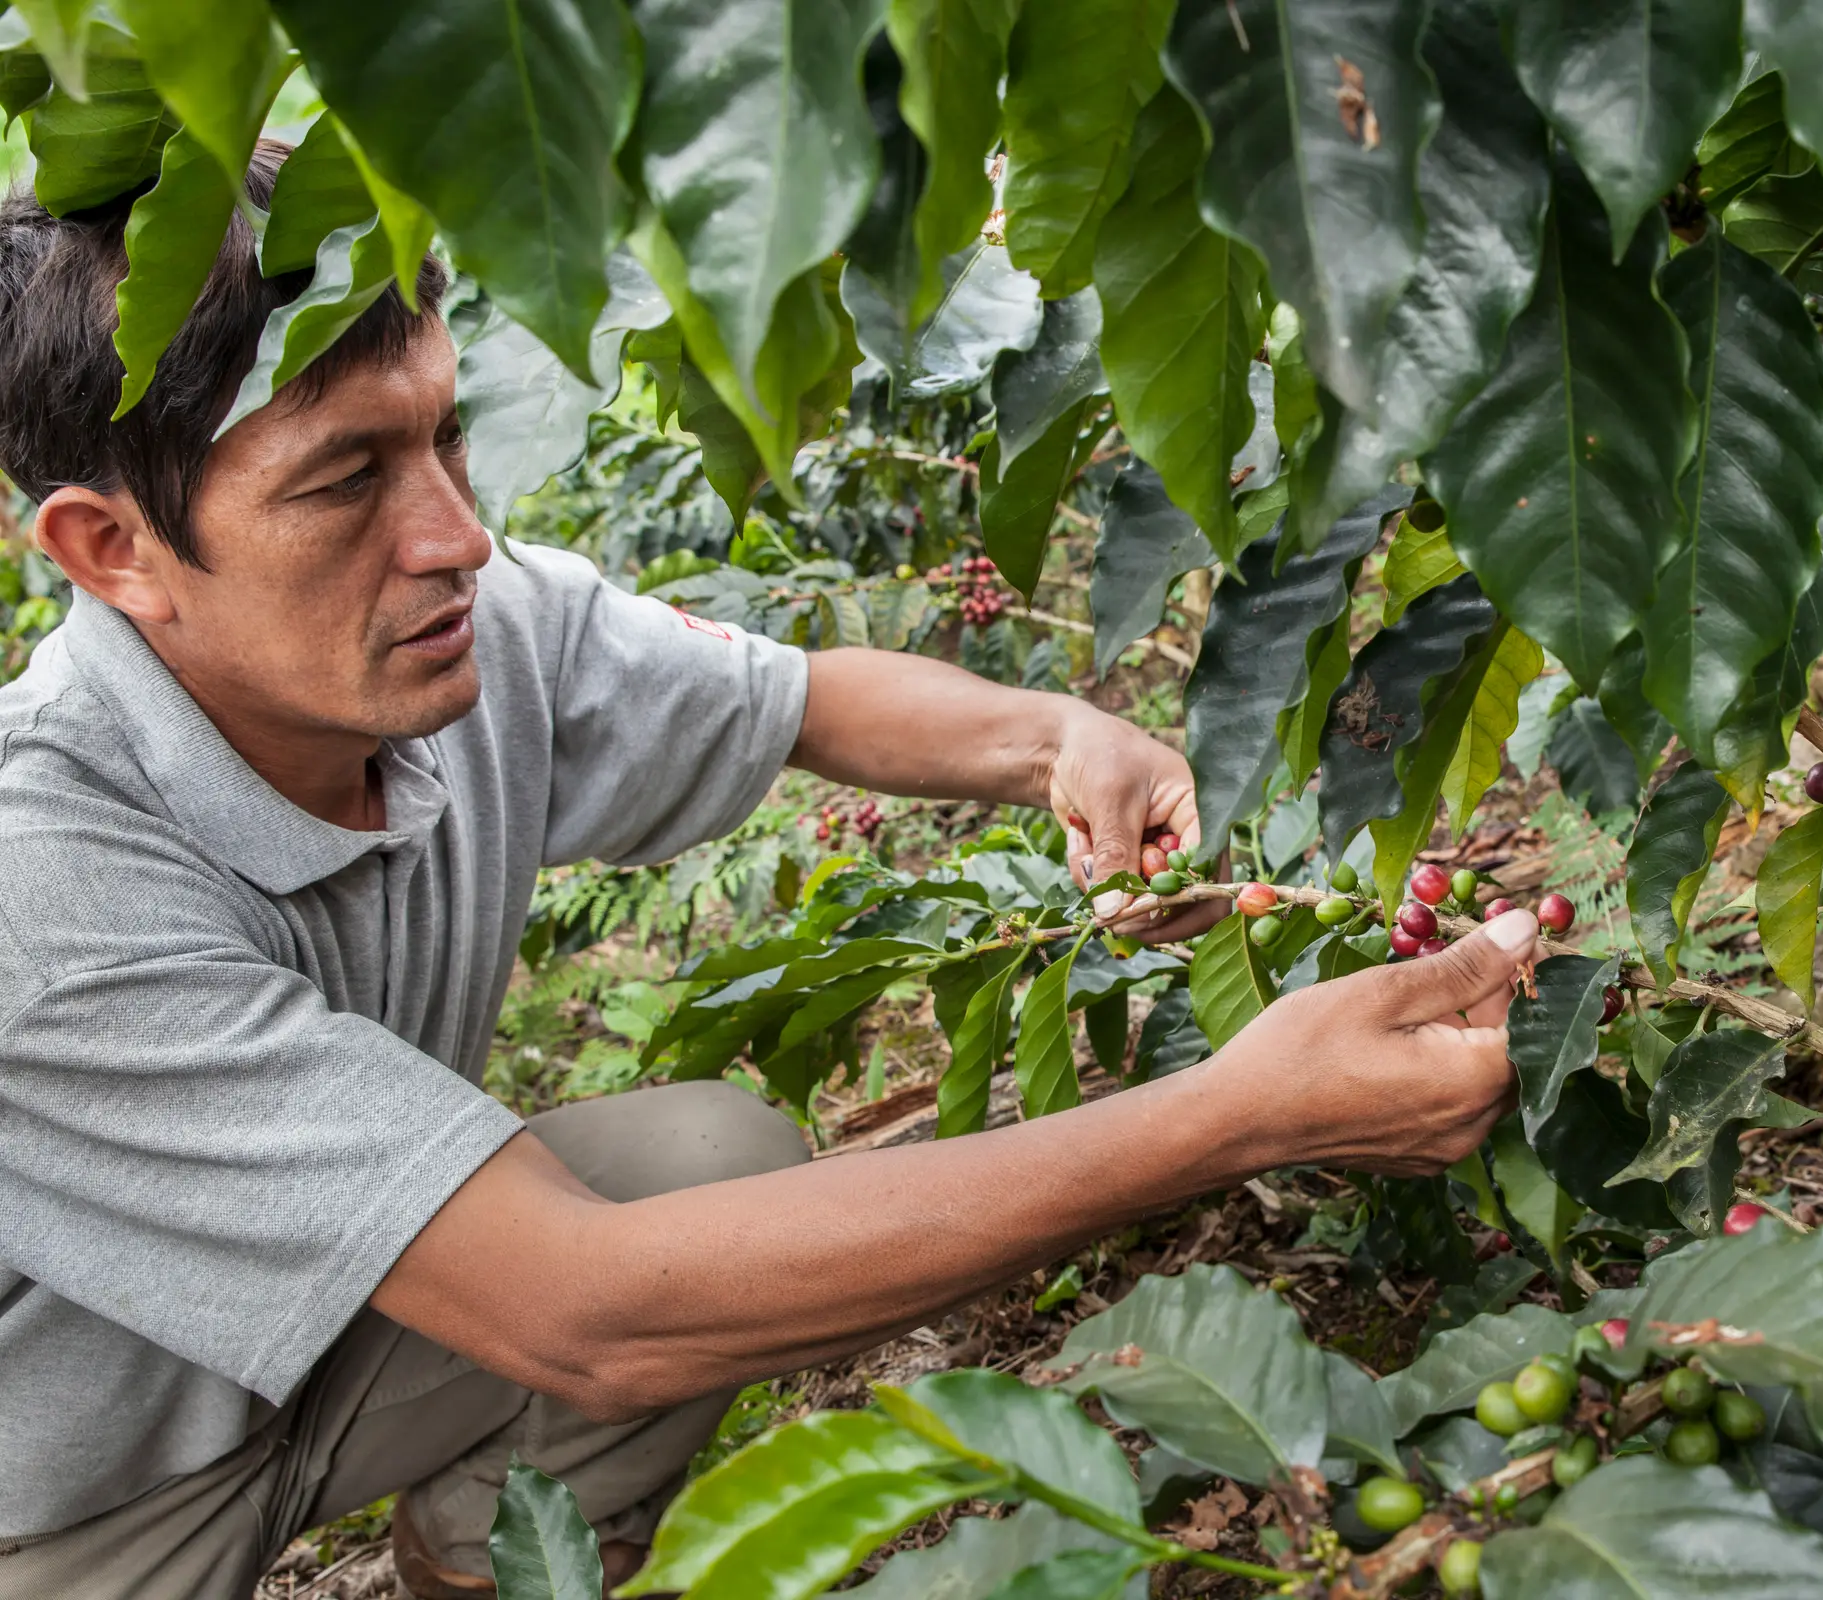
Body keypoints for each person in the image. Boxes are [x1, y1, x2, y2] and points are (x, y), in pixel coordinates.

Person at [0, 144, 1531, 1600]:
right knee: (626, 1274)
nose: (456, 536)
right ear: (111, 549)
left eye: (448, 435)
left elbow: (804, 701)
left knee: (703, 1166)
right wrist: (1236, 1113)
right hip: (69, 1501)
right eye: (345, 482)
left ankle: (489, 1567)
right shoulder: (43, 891)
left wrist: (1056, 738)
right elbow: (583, 1308)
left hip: (320, 1342)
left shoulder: (461, 624)